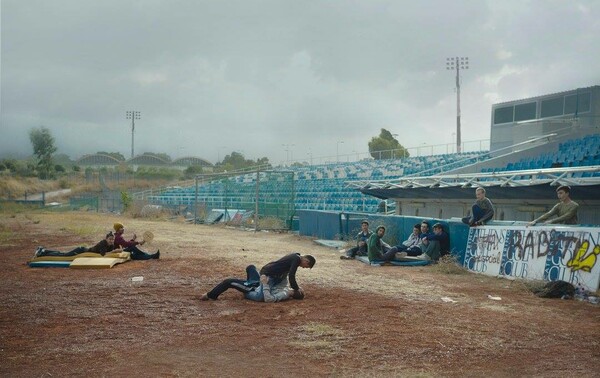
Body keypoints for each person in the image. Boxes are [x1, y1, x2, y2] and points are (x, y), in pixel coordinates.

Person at [201, 253, 316, 301]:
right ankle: (211, 295)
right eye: (306, 266)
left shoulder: (294, 257)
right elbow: (292, 275)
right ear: (306, 260)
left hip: (268, 276)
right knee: (230, 282)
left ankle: (251, 277)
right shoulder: (296, 259)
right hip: (267, 275)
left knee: (253, 272)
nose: (304, 268)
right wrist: (296, 288)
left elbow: (287, 276)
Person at [34, 231, 122, 258]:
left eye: (112, 240)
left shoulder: (111, 245)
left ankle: (44, 251)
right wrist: (115, 251)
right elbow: (103, 254)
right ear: (106, 239)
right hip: (81, 250)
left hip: (85, 250)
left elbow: (110, 252)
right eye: (110, 239)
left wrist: (117, 250)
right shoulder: (103, 243)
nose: (111, 241)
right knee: (64, 255)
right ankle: (43, 252)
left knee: (62, 253)